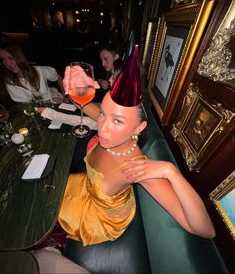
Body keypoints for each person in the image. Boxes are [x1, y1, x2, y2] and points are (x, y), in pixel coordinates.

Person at [58, 45, 215, 247]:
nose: (103, 128)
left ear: (139, 127)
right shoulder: (112, 131)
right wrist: (74, 86)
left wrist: (171, 171)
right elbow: (85, 105)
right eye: (103, 113)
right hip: (85, 190)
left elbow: (204, 229)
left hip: (99, 219)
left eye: (117, 121)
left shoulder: (134, 166)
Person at [0, 42, 66, 103]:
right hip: (38, 111)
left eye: (10, 58)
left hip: (58, 103)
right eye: (3, 60)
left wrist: (65, 96)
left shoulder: (40, 70)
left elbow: (58, 77)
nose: (7, 63)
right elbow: (27, 106)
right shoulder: (10, 82)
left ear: (19, 57)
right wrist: (50, 100)